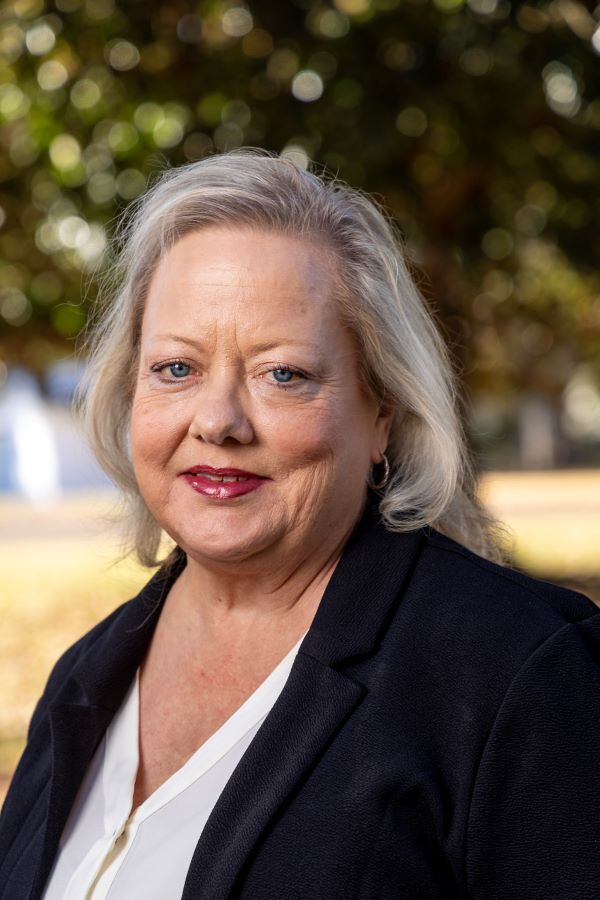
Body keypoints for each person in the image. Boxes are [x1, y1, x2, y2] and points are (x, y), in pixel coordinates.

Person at [1, 149, 599, 900]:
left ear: (382, 411)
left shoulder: (522, 673)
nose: (216, 421)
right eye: (176, 369)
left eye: (282, 374)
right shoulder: (85, 676)